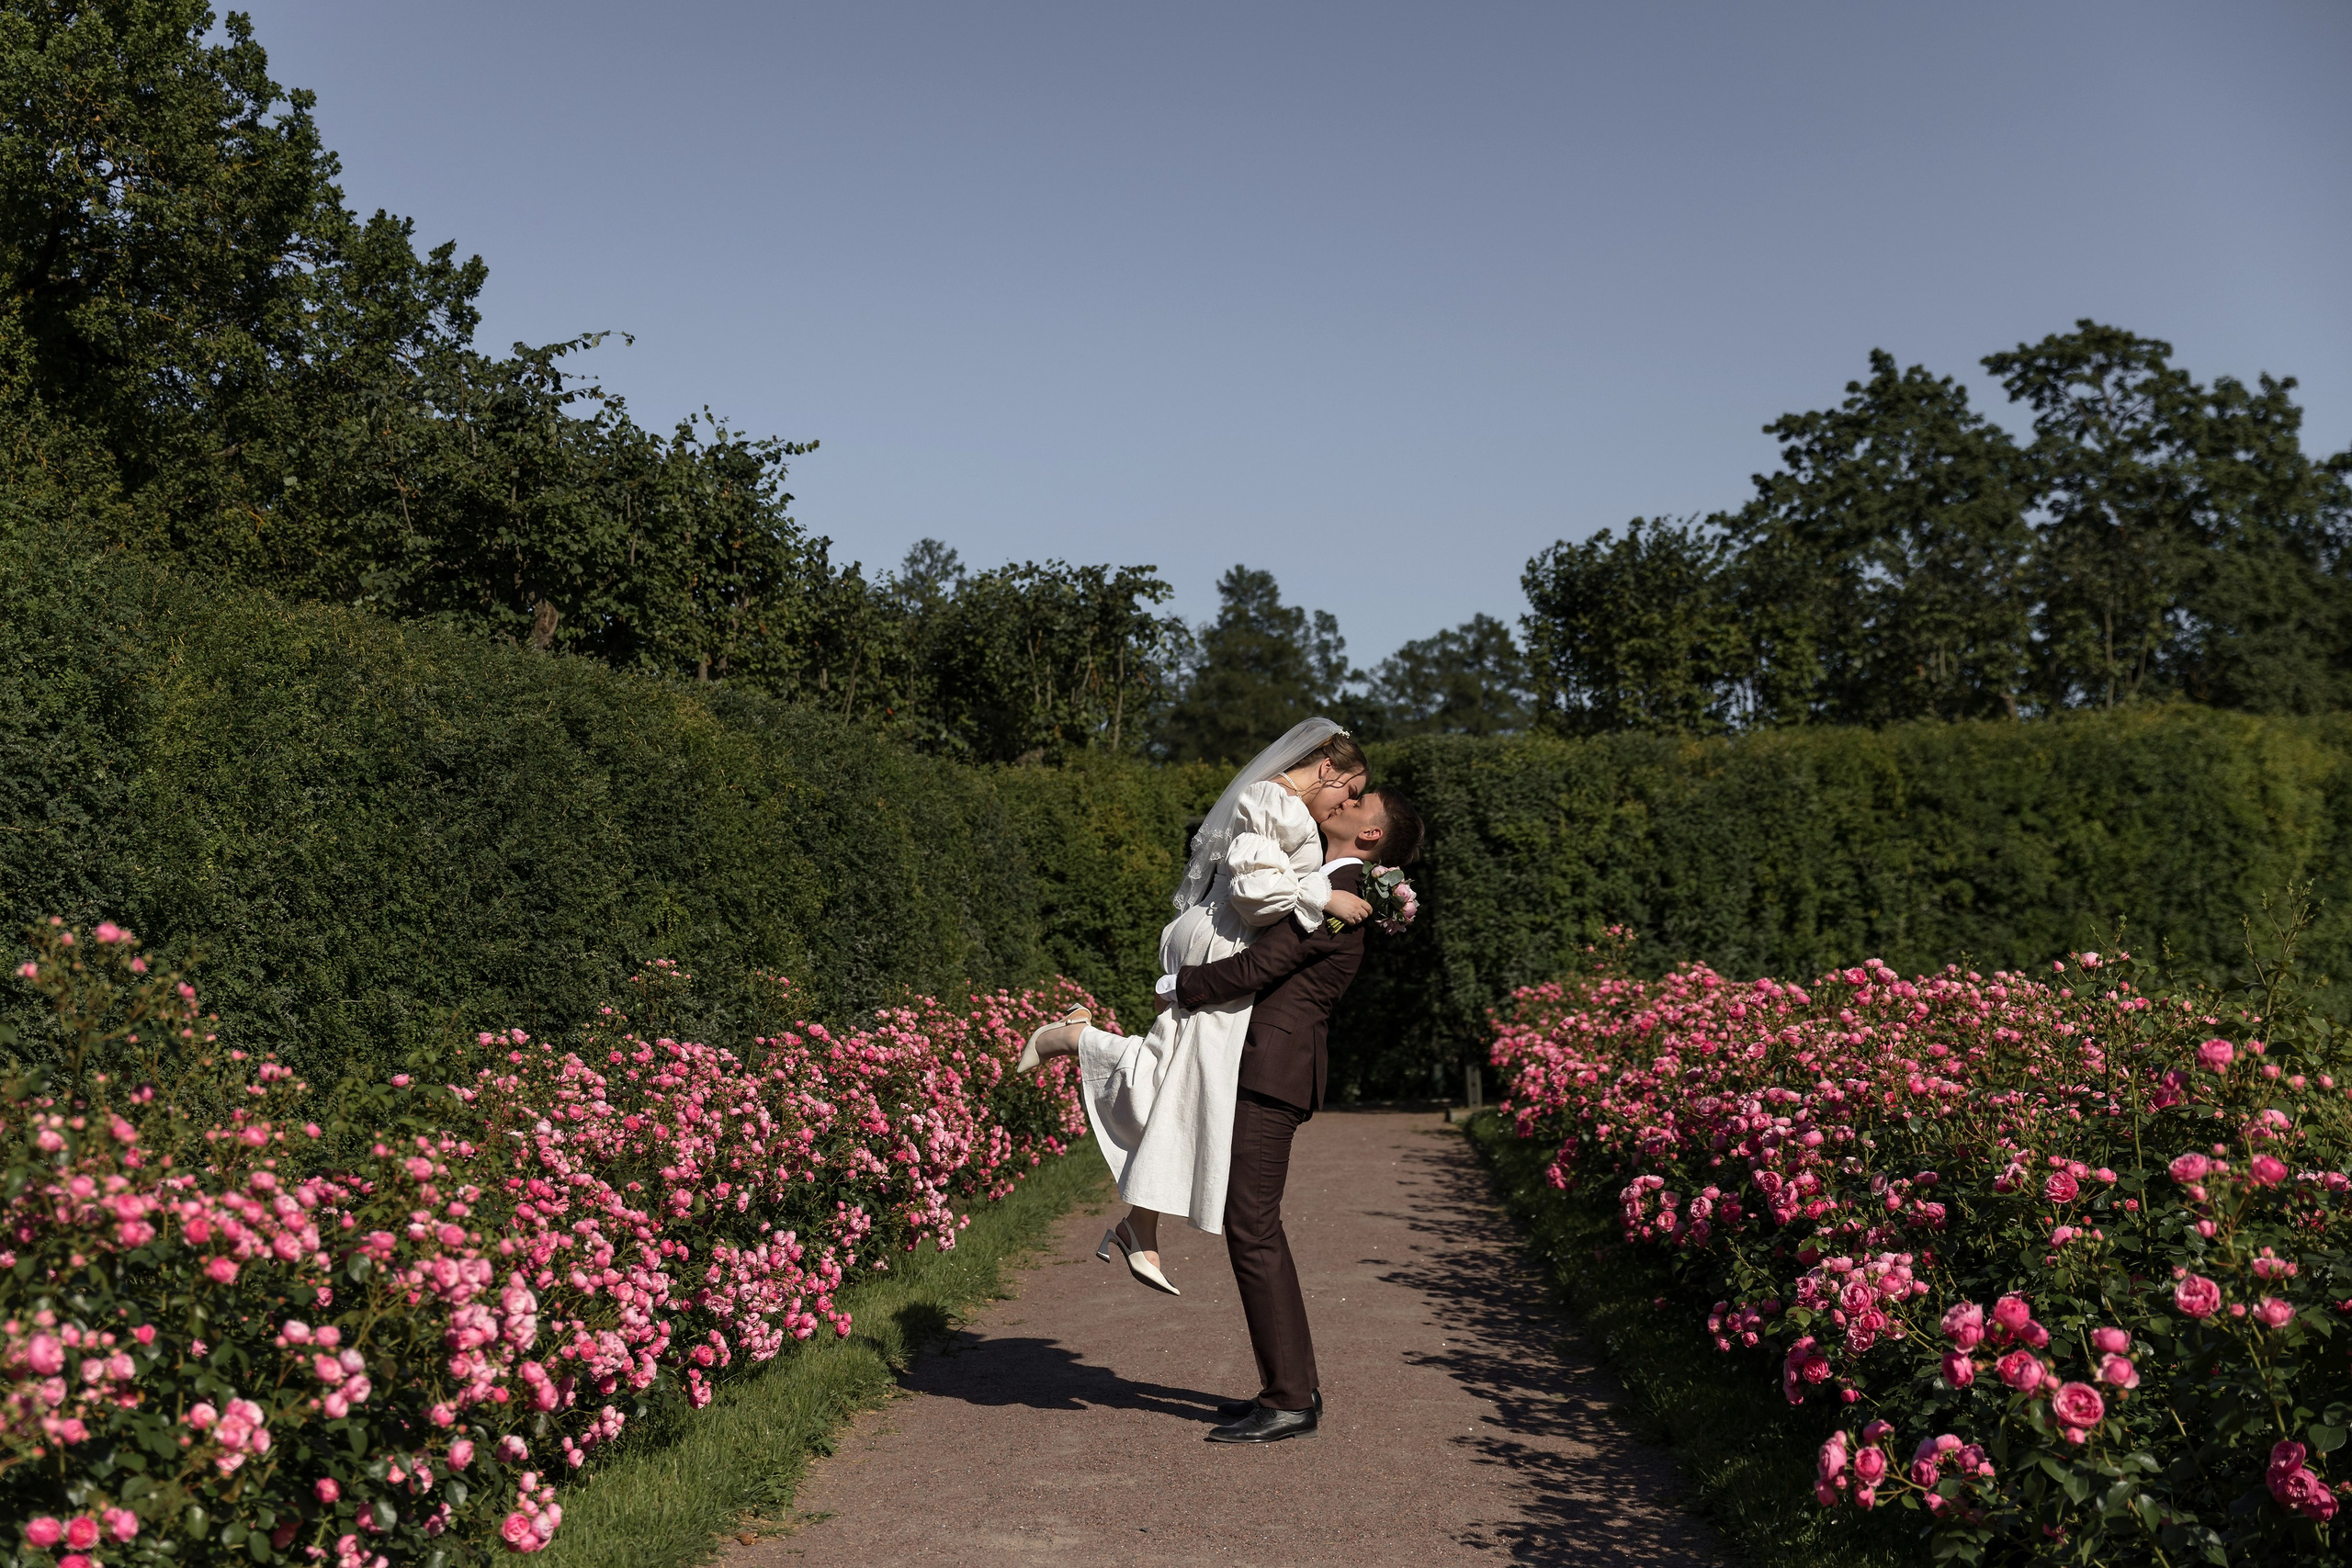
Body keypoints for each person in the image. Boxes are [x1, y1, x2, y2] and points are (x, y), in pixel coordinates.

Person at [1018, 719, 1374, 1292]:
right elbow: (1254, 894)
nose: (1346, 803)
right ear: (1327, 767)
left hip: (1225, 934)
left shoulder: (1288, 807)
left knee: (1180, 1081)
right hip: (1222, 936)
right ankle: (1074, 1040)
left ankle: (1141, 1225)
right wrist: (1320, 894)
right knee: (1186, 1077)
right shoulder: (1270, 799)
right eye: (1349, 789)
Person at [1178, 784, 1423, 1443]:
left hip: (1272, 1069)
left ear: (1371, 834)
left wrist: (1182, 987)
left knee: (1252, 1226)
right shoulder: (1326, 879)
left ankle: (1288, 1396)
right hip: (1271, 1066)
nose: (1343, 797)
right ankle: (1293, 1384)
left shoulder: (1342, 893)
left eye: (1362, 798)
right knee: (1256, 1225)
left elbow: (1265, 963)